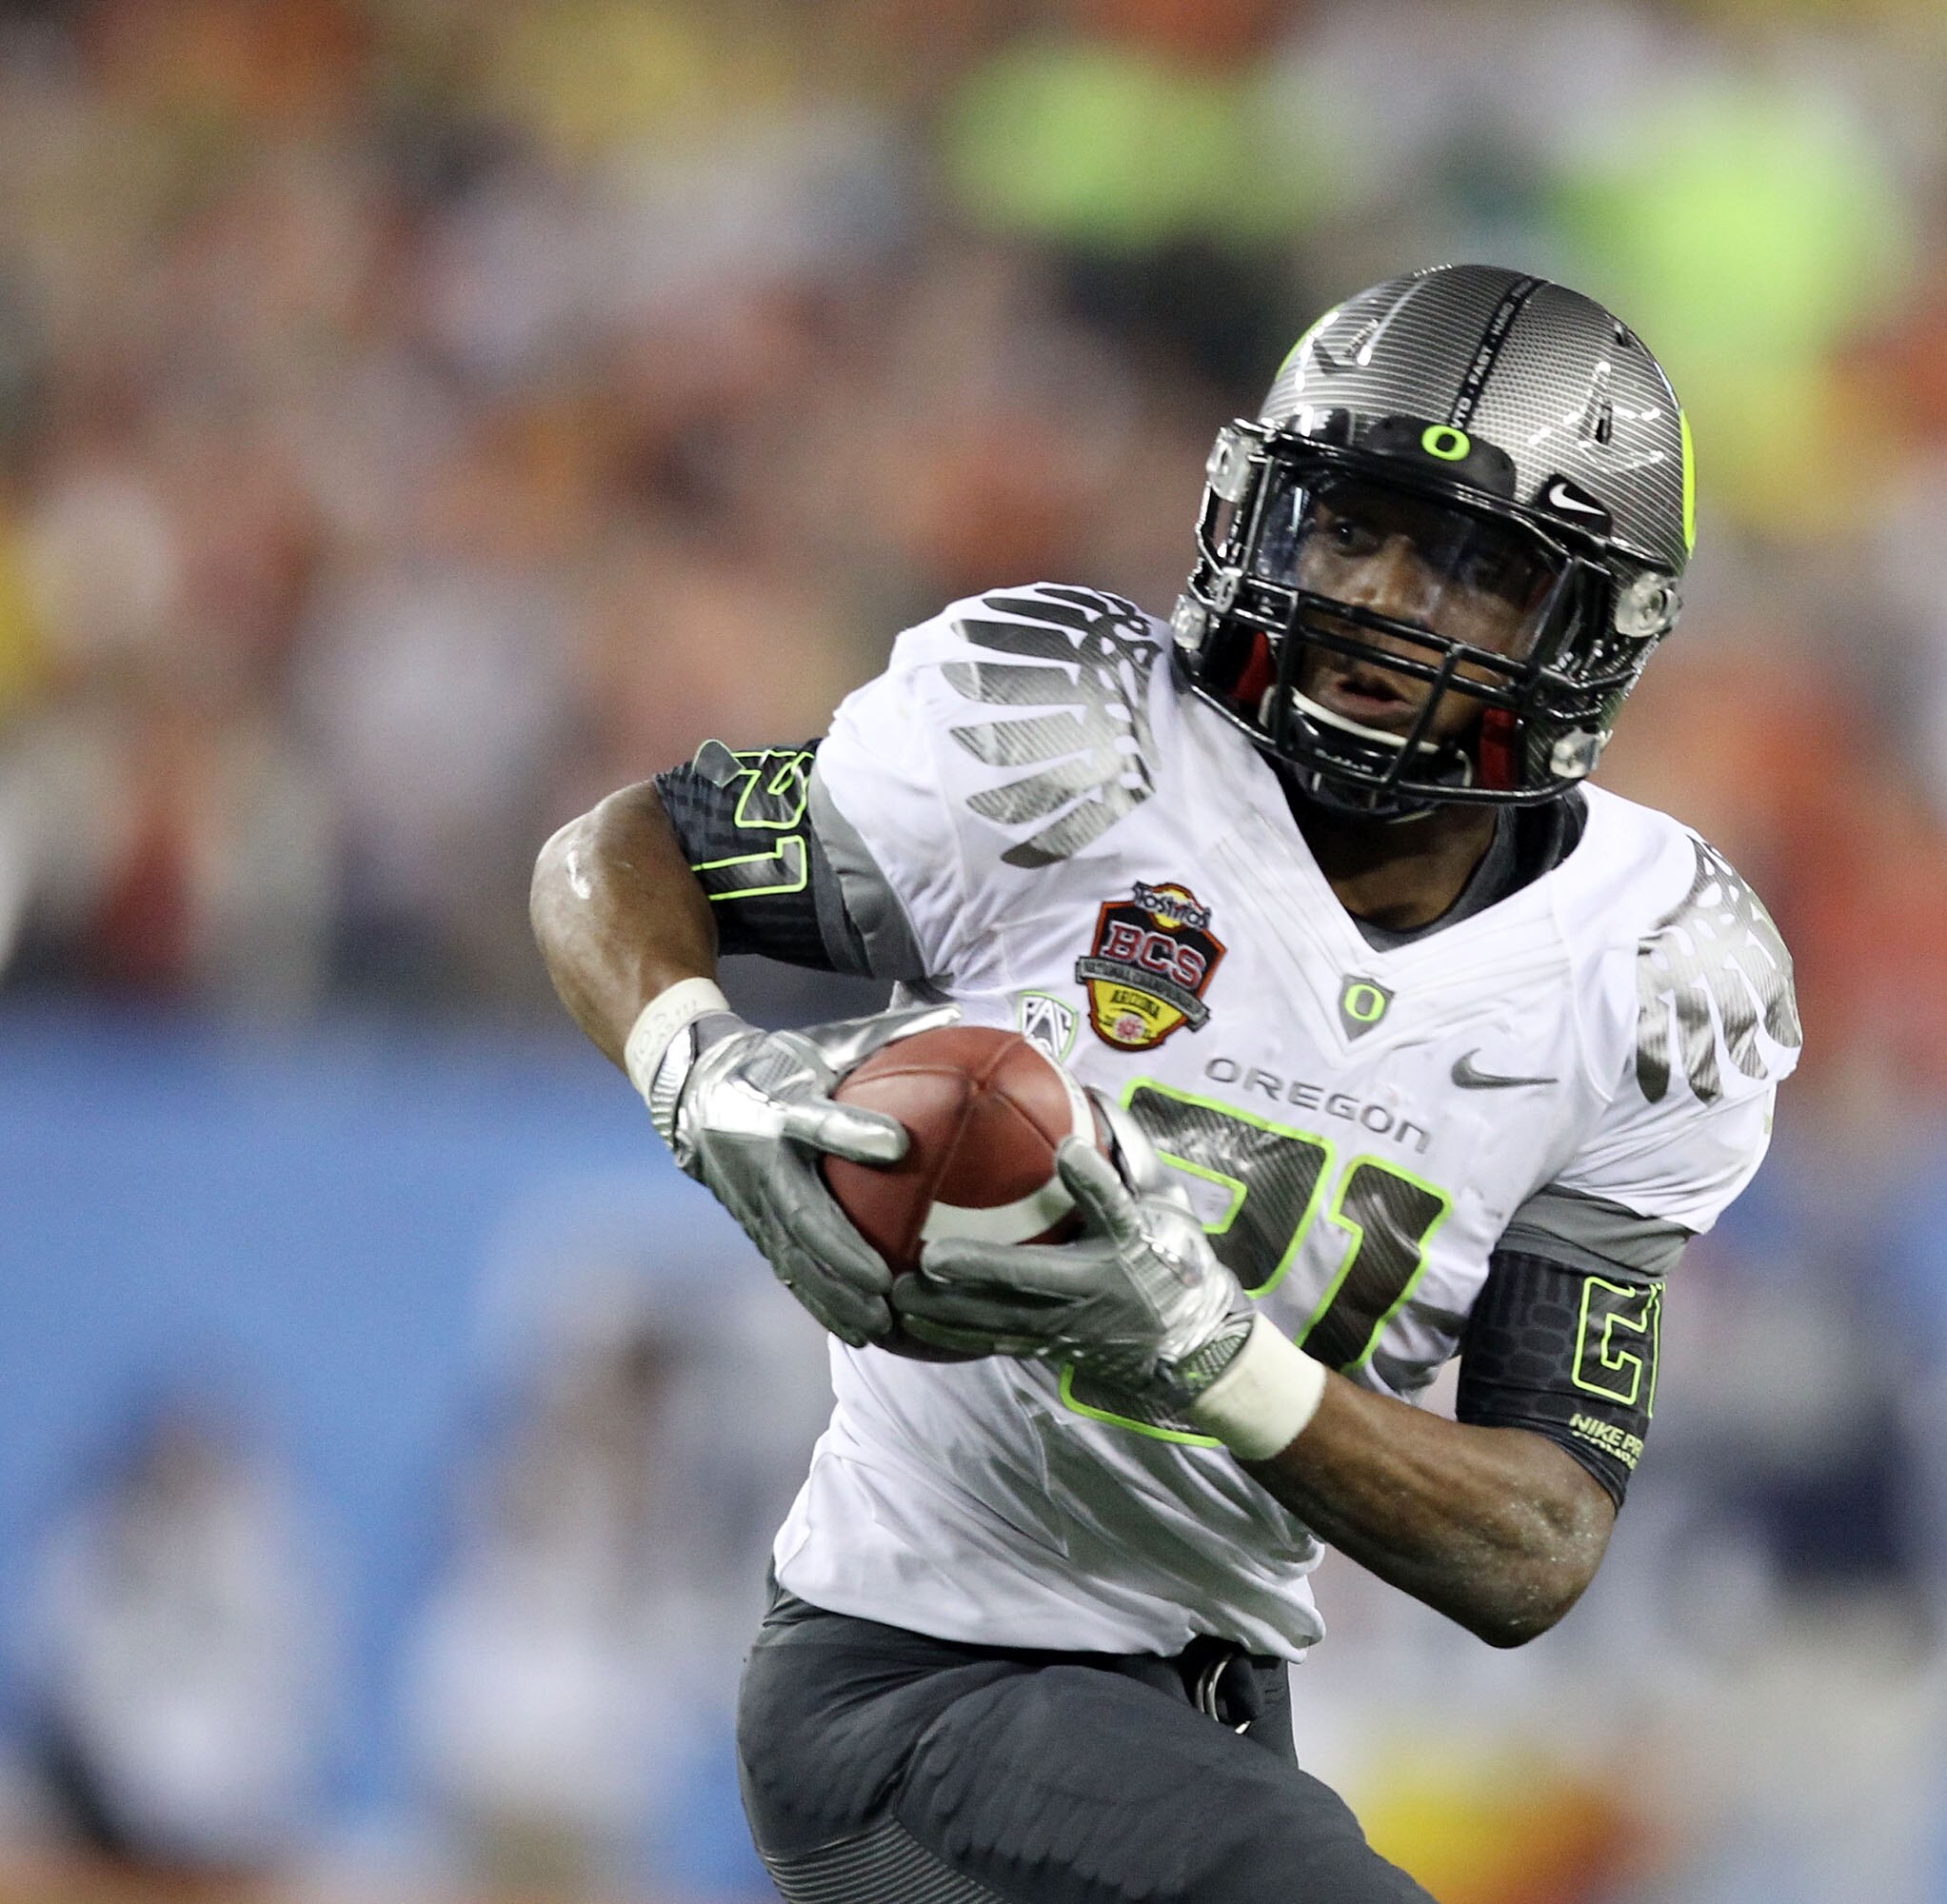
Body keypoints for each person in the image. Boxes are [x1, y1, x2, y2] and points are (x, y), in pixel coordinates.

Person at [530, 264, 1800, 1903]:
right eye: (1351, 524)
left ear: (1588, 632)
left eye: (1474, 564)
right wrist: (696, 1071)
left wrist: (1206, 1353)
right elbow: (614, 853)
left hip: (1210, 1712)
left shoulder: (1656, 975)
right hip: (920, 1675)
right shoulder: (1072, 740)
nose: (1386, 597)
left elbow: (1532, 1541)